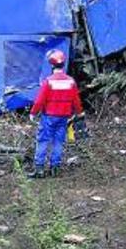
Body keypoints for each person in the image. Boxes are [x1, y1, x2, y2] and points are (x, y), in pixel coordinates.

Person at [28, 50, 84, 178]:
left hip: (48, 116)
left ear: (51, 64)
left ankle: (39, 169)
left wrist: (33, 113)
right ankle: (55, 168)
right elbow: (76, 100)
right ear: (63, 64)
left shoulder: (48, 82)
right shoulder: (70, 81)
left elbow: (40, 100)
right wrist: (79, 112)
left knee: (43, 140)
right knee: (58, 141)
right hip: (64, 117)